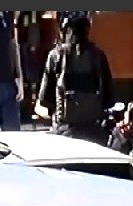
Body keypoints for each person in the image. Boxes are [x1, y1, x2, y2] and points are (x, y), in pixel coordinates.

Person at [35, 11, 113, 145]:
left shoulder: (55, 56)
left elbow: (44, 100)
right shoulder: (98, 55)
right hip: (94, 134)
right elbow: (108, 99)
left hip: (64, 133)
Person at [0, 11, 24, 131]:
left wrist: (19, 77)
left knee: (13, 133)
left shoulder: (7, 15)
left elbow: (13, 45)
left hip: (9, 83)